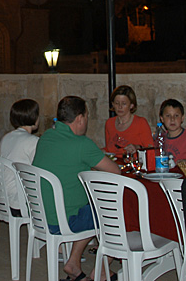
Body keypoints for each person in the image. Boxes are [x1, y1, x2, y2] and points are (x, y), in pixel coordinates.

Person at [32, 96, 120, 281]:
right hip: (65, 220)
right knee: (115, 212)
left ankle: (73, 263)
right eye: (87, 116)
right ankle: (102, 269)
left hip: (41, 217)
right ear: (80, 118)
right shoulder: (82, 144)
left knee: (91, 209)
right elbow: (115, 172)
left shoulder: (46, 137)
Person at [0, 98, 40, 215]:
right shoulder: (33, 141)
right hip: (19, 200)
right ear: (34, 117)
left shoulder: (6, 137)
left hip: (2, 196)